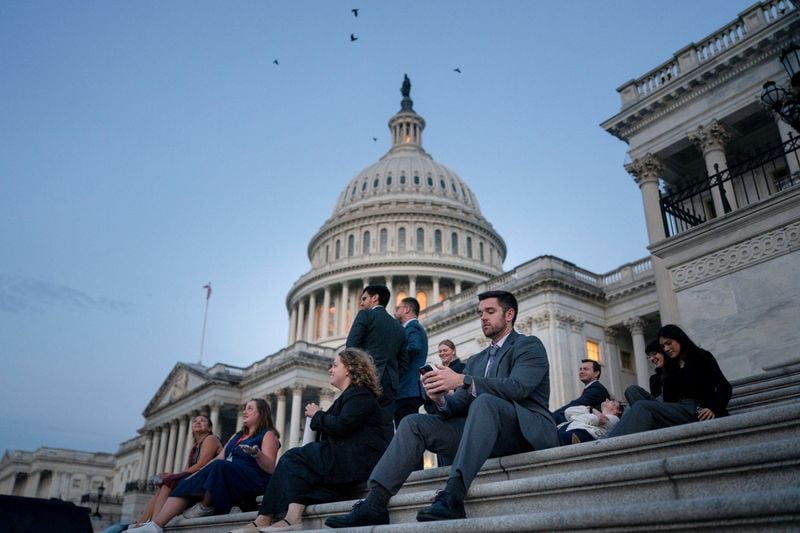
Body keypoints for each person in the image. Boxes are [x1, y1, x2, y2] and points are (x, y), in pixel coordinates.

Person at [325, 290, 558, 527]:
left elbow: (518, 388)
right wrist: (440, 398)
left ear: (509, 315)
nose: (483, 318)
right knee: (413, 423)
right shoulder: (476, 360)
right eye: (480, 313)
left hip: (523, 431)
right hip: (482, 433)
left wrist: (462, 380)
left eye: (490, 312)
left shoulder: (528, 346)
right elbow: (459, 405)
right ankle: (375, 503)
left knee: (485, 402)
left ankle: (453, 494)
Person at [228, 348, 389, 533]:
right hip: (344, 458)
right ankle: (274, 518)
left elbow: (343, 425)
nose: (330, 369)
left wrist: (317, 414)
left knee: (293, 457)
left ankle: (273, 518)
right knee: (296, 467)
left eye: (335, 365)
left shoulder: (360, 394)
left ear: (350, 369)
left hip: (355, 460)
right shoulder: (350, 396)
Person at [129, 399, 280, 533]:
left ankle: (205, 506)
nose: (245, 411)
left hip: (252, 479)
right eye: (245, 408)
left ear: (261, 413)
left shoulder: (268, 434)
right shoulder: (237, 436)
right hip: (227, 475)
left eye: (250, 408)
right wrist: (196, 475)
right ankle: (156, 525)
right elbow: (219, 458)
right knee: (187, 480)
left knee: (219, 467)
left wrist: (257, 454)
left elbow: (270, 468)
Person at [608, 324, 732, 438]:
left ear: (679, 339)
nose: (666, 348)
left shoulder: (702, 356)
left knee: (642, 406)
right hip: (676, 409)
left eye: (669, 343)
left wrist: (713, 407)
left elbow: (724, 387)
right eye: (663, 346)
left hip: (696, 409)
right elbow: (669, 399)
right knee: (632, 391)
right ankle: (610, 441)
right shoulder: (671, 366)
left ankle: (609, 443)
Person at [133, 415, 223, 527]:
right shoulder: (195, 446)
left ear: (209, 428)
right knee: (165, 484)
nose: (198, 422)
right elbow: (187, 470)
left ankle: (155, 523)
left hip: (208, 482)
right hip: (197, 480)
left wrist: (174, 476)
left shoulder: (211, 439)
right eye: (195, 421)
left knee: (168, 484)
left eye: (202, 421)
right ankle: (141, 524)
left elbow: (202, 465)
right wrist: (172, 476)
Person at [346, 285, 407, 439]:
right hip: (390, 383)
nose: (361, 303)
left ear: (375, 298)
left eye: (364, 298)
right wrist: (394, 377)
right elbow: (403, 362)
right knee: (385, 426)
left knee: (360, 423)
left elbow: (351, 347)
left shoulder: (365, 315)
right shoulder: (399, 327)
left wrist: (357, 374)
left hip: (367, 379)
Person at [424, 340, 465, 467]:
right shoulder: (436, 372)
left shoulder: (462, 368)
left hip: (456, 417)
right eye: (440, 351)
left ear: (453, 351)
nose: (442, 353)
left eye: (445, 350)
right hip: (440, 416)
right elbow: (429, 403)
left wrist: (452, 392)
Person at [393, 296, 429, 427]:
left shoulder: (412, 327)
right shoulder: (410, 328)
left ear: (407, 309)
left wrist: (394, 360)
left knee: (406, 430)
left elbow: (414, 347)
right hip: (408, 390)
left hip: (406, 389)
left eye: (398, 308)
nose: (395, 312)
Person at [551, 359, 610, 424]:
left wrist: (551, 416)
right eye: (580, 369)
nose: (581, 372)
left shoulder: (597, 389)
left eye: (586, 369)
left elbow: (576, 405)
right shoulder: (592, 388)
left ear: (596, 373)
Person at [624, 340, 678, 406]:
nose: (652, 359)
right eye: (649, 357)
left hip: (676, 407)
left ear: (664, 352)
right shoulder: (653, 378)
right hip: (658, 406)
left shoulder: (680, 370)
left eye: (654, 353)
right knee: (631, 391)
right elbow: (654, 399)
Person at [558, 399, 624, 445]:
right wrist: (591, 409)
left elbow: (596, 420)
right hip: (569, 429)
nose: (606, 399)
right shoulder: (593, 413)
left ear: (618, 411)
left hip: (581, 433)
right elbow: (567, 412)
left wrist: (574, 418)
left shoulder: (615, 419)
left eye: (612, 400)